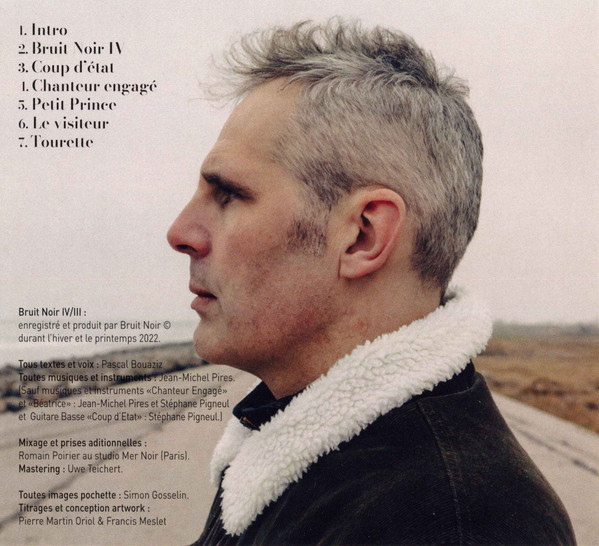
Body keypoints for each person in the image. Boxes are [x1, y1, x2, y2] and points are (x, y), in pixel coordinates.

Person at [168, 19, 575, 545]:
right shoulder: (303, 449)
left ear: (362, 235)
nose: (181, 233)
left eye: (228, 194)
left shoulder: (456, 524)